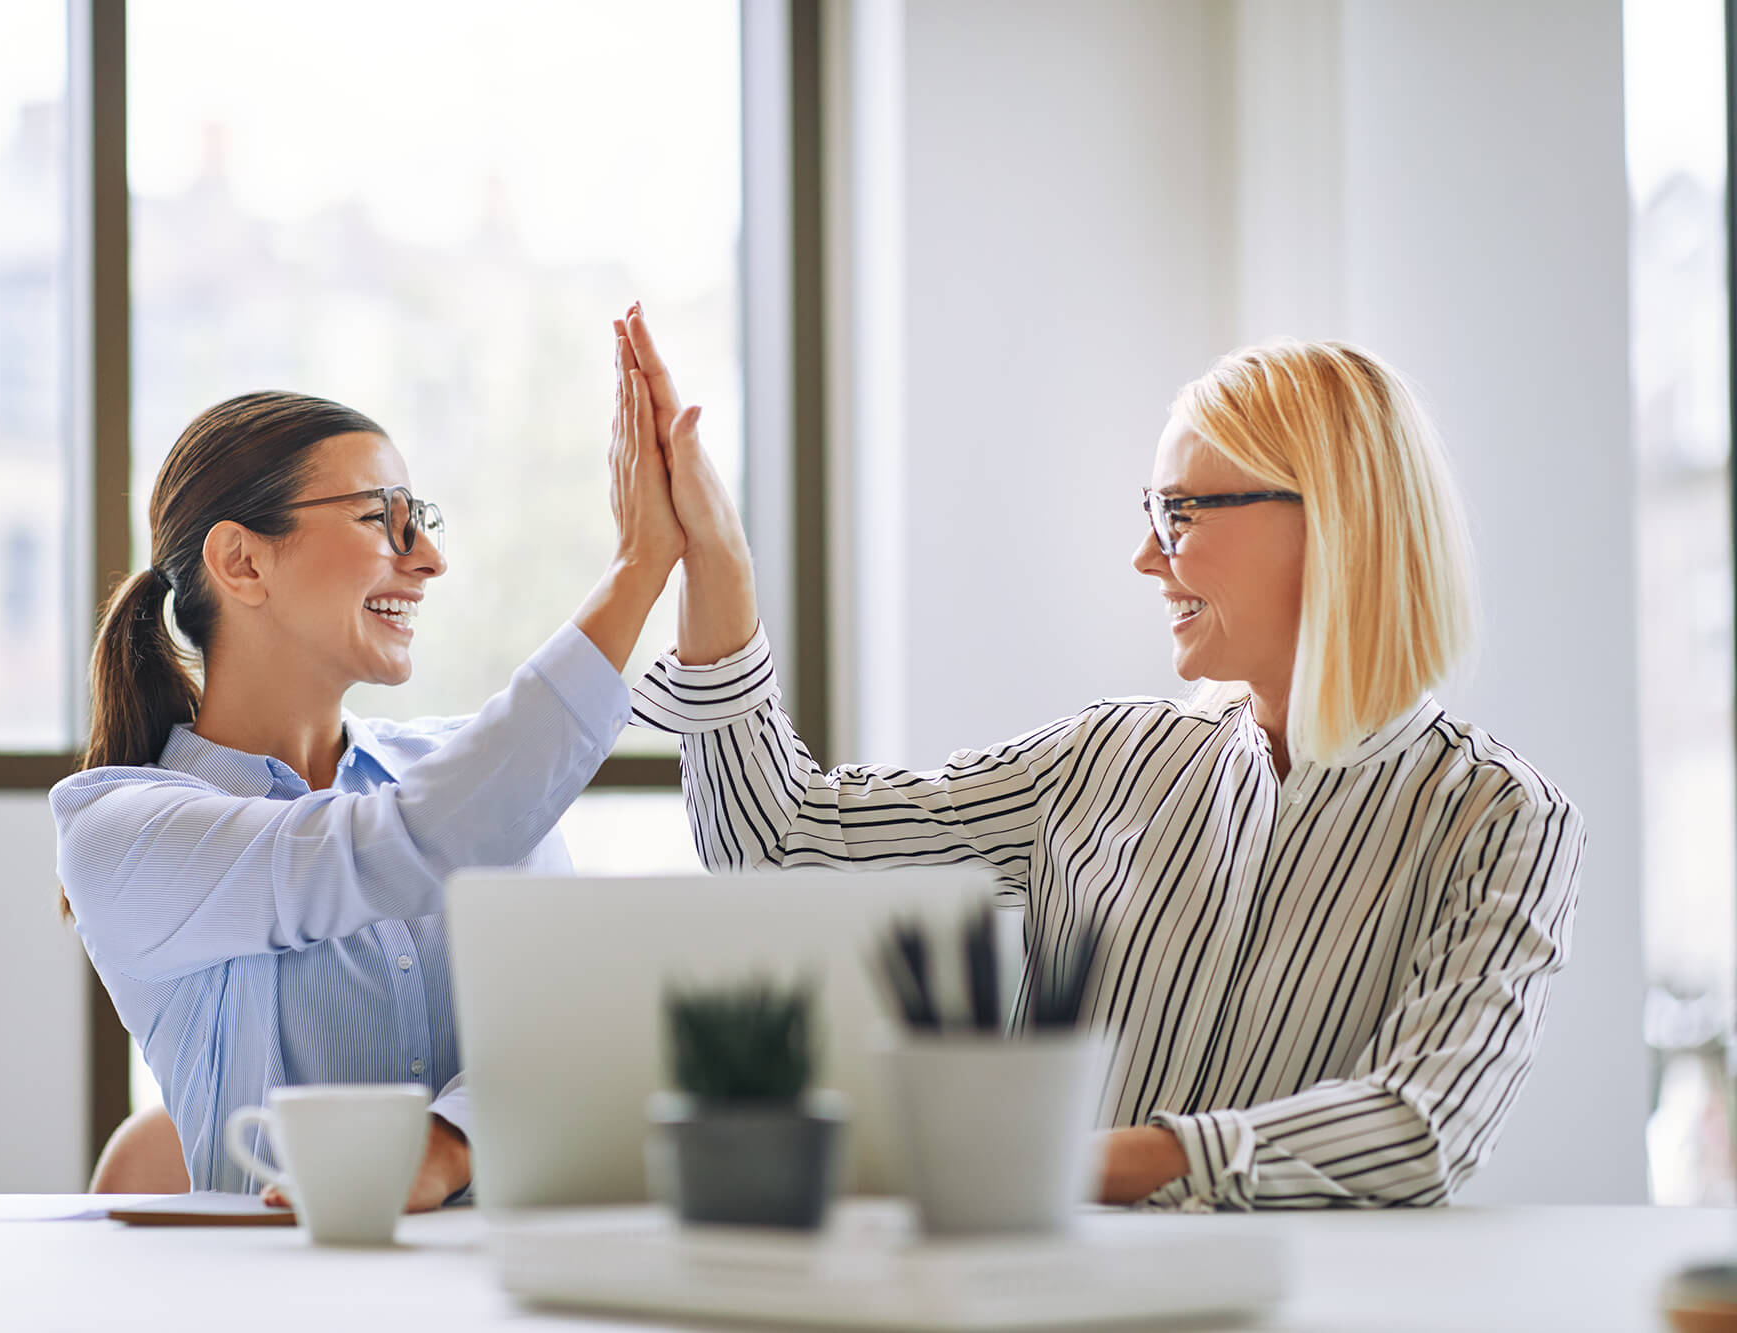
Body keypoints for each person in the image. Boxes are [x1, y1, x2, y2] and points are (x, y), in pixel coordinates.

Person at [620, 310, 1584, 1210]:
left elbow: (1422, 1124)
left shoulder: (1503, 821)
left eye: (1181, 512)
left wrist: (1072, 1164)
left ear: (1329, 518)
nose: (1146, 555)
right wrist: (719, 567)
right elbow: (781, 838)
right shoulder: (1108, 759)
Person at [54, 314, 681, 1203]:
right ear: (241, 561)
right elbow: (397, 845)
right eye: (381, 521)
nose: (428, 559)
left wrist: (446, 1144)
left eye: (418, 521)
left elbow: (570, 1019)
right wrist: (638, 568)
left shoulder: (476, 777)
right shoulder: (120, 832)